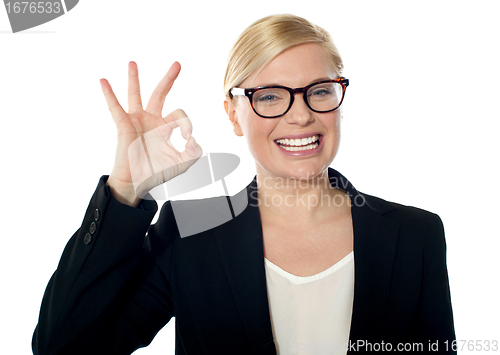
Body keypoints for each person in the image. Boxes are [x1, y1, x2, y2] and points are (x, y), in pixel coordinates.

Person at [32, 14, 456, 355]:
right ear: (233, 115)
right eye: (270, 96)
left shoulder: (414, 235)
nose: (301, 116)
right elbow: (62, 347)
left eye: (320, 91)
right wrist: (125, 188)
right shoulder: (188, 233)